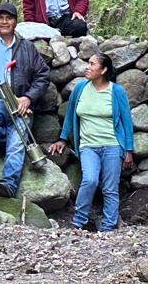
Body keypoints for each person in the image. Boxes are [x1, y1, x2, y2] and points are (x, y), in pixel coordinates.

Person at [0, 2, 49, 198]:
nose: (4, 22)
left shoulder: (27, 48)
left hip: (20, 104)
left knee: (17, 137)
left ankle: (8, 184)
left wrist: (28, 98)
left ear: (15, 22)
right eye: (0, 18)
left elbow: (43, 75)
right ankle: (17, 142)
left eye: (9, 18)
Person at [51, 53, 134, 232]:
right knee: (89, 180)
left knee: (110, 188)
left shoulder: (116, 91)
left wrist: (128, 150)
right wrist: (63, 139)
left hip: (112, 145)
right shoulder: (80, 88)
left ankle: (108, 227)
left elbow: (126, 121)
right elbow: (70, 116)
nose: (87, 67)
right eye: (88, 63)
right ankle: (78, 222)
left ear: (103, 70)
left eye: (92, 64)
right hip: (88, 146)